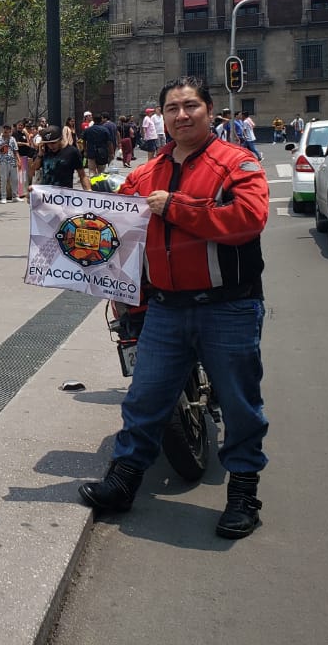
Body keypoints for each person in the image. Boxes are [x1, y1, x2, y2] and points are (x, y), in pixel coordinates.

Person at [78, 76, 270, 540]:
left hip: (228, 307)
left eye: (190, 106)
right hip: (164, 308)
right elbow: (115, 228)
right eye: (171, 109)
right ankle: (123, 482)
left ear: (209, 110)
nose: (181, 116)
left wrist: (177, 208)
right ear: (160, 118)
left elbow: (249, 219)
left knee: (241, 405)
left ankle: (244, 494)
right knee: (144, 398)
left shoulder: (237, 163)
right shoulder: (147, 172)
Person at [33, 126, 90, 191]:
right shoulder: (45, 151)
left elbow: (82, 175)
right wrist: (40, 154)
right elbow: (34, 169)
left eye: (53, 143)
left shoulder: (72, 152)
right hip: (47, 194)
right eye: (47, 143)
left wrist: (89, 191)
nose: (51, 146)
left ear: (60, 139)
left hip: (64, 194)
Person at [0, 124, 20, 203]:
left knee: (15, 179)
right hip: (3, 162)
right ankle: (3, 196)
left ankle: (15, 196)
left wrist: (19, 160)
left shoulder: (12, 139)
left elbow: (15, 151)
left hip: (12, 162)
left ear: (10, 130)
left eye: (8, 129)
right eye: (5, 129)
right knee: (3, 179)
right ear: (3, 129)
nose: (6, 130)